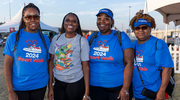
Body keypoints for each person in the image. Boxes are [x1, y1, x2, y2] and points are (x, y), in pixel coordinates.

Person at [3, 3, 50, 100]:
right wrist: (10, 91)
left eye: (36, 17)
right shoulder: (13, 37)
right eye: (28, 17)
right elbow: (7, 66)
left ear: (39, 18)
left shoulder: (45, 39)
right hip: (19, 87)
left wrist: (51, 87)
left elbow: (49, 64)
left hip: (40, 85)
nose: (32, 20)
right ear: (23, 19)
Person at [87, 8, 134, 100]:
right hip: (94, 87)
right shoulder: (92, 37)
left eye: (106, 19)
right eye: (99, 18)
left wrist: (125, 89)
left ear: (112, 21)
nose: (102, 21)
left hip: (117, 87)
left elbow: (129, 63)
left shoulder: (121, 36)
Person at [129, 10, 174, 100]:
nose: (141, 30)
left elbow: (167, 69)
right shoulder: (132, 46)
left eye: (144, 27)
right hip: (137, 93)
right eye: (137, 28)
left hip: (154, 93)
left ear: (150, 28)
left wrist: (161, 91)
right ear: (134, 30)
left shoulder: (158, 44)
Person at [48, 12, 90, 100]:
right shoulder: (56, 38)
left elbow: (85, 67)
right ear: (63, 23)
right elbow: (51, 62)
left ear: (77, 25)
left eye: (74, 21)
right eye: (67, 20)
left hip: (75, 84)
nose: (70, 23)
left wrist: (86, 93)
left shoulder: (82, 41)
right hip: (58, 83)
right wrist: (51, 87)